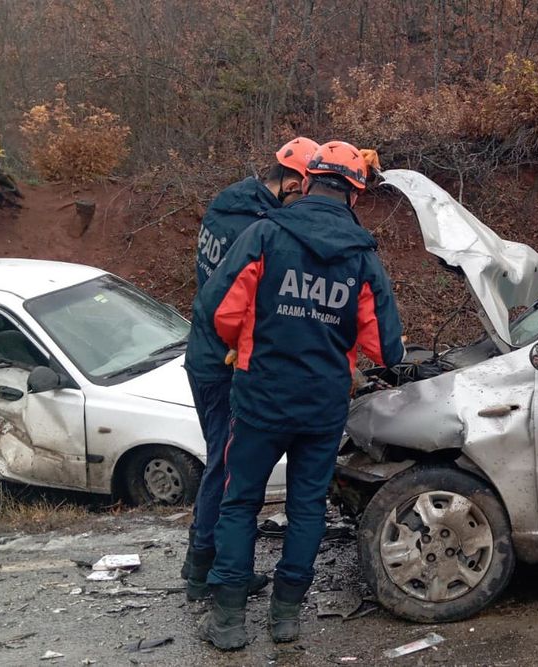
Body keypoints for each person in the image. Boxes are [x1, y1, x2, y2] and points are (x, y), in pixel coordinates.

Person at [196, 141, 405, 650]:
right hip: (322, 406)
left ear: (306, 182)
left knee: (240, 502)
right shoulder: (362, 256)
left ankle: (227, 621)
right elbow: (387, 347)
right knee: (308, 507)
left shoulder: (264, 235)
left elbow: (219, 310)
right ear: (354, 195)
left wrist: (247, 343)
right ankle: (285, 618)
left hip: (259, 398)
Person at [181, 137, 320, 601]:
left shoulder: (229, 203)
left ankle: (209, 560)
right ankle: (205, 569)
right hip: (219, 359)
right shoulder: (255, 228)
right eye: (308, 191)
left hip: (203, 351)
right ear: (295, 182)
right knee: (225, 462)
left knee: (223, 457)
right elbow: (244, 305)